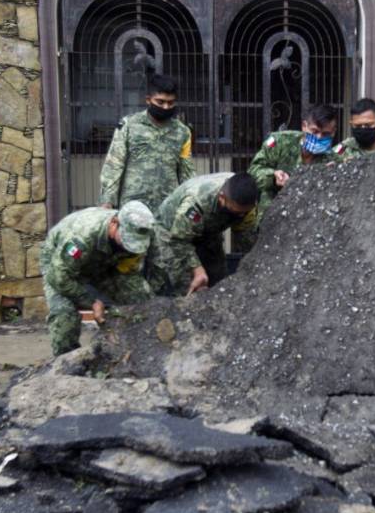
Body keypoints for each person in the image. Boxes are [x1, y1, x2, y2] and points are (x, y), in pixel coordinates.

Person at [40, 201, 156, 356]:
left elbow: (129, 271)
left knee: (142, 299)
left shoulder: (143, 232)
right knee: (64, 314)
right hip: (61, 265)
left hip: (103, 263)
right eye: (128, 240)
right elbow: (59, 277)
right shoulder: (82, 236)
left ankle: (138, 350)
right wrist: (92, 302)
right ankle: (67, 364)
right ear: (114, 223)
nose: (132, 246)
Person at [146, 172, 260, 296]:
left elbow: (245, 232)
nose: (241, 216)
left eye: (244, 212)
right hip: (171, 233)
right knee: (186, 284)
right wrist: (197, 269)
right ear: (222, 198)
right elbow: (179, 240)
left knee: (218, 278)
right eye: (235, 212)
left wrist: (254, 262)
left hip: (207, 231)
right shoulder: (197, 202)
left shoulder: (246, 197)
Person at [98, 73, 195, 214]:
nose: (166, 107)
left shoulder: (182, 132)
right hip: (133, 207)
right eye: (160, 102)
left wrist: (190, 201)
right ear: (148, 100)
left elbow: (187, 171)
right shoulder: (129, 125)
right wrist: (107, 201)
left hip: (167, 207)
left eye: (171, 102)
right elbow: (114, 165)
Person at [247, 104, 339, 225]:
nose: (319, 137)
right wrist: (273, 176)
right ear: (304, 126)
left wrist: (330, 178)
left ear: (333, 132)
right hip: (272, 221)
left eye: (325, 134)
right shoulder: (281, 142)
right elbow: (253, 172)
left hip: (307, 225)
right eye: (315, 131)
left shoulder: (332, 160)